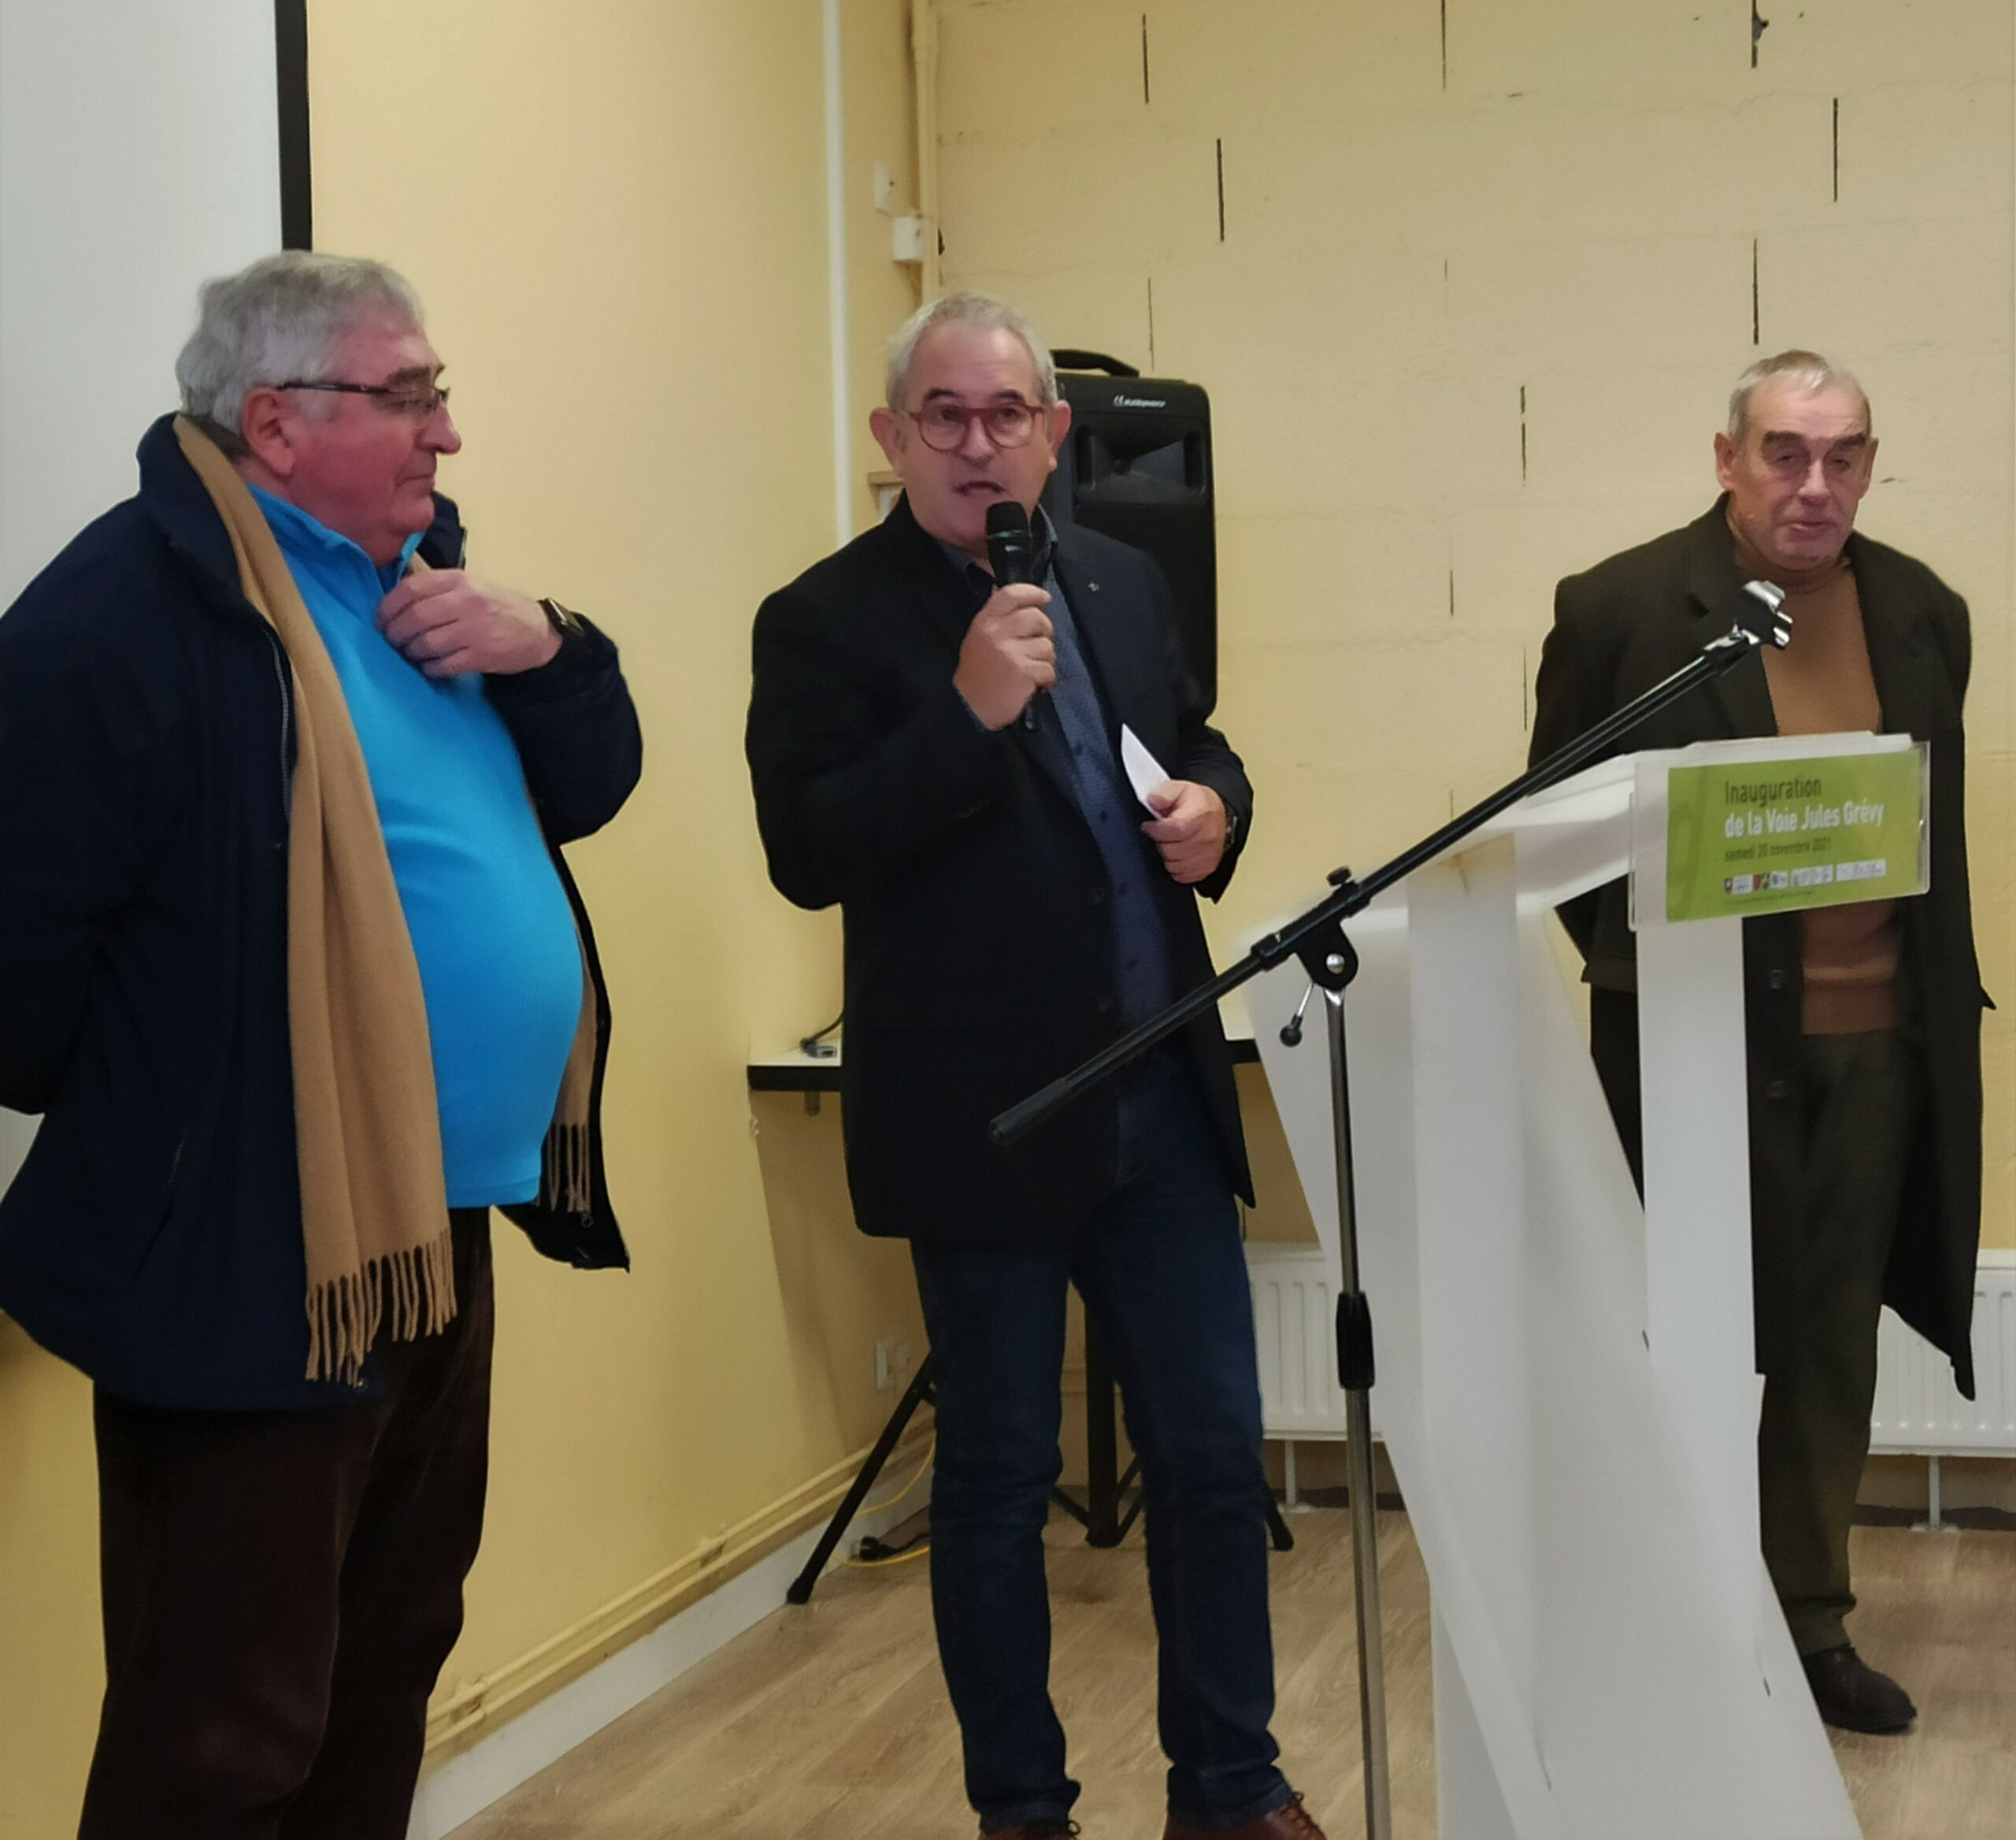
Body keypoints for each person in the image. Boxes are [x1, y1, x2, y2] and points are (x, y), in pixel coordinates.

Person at [0, 251, 640, 1837]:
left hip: (434, 1227)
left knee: (382, 1667)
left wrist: (553, 647)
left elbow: (588, 787)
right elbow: (21, 966)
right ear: (276, 422)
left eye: (438, 393)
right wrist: (193, 1124)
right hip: (249, 1249)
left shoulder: (423, 588)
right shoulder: (130, 615)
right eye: (407, 394)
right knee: (224, 1730)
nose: (446, 432)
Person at [747, 291, 1324, 1840]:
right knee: (998, 1480)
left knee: (1212, 1459)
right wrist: (964, 712)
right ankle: (1022, 1808)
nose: (977, 442)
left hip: (1158, 1102)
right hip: (986, 1122)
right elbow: (807, 847)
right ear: (891, 436)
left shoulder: (1121, 580)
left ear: (1055, 433)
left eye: (1006, 413)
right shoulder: (824, 617)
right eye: (942, 414)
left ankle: (1231, 1787)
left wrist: (1217, 809)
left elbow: (1197, 740)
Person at [1529, 350, 1986, 1735]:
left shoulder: (1924, 611)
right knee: (1671, 1338)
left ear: (1870, 465)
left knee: (1832, 1340)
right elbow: (1556, 834)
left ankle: (1808, 1621)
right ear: (1727, 458)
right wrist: (1663, 968)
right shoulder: (1622, 609)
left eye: (1844, 455)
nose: (1815, 483)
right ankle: (1664, 1615)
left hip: (1878, 1045)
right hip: (1694, 1046)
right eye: (1786, 451)